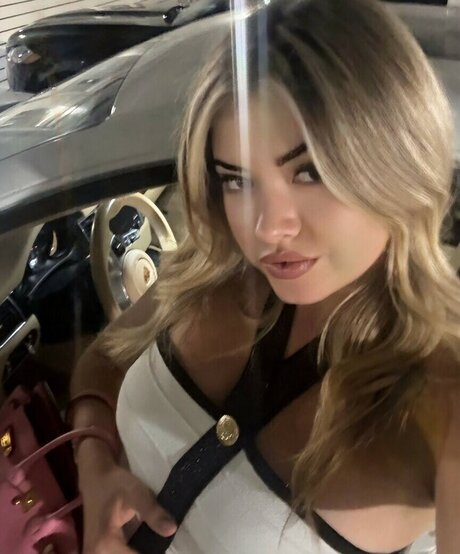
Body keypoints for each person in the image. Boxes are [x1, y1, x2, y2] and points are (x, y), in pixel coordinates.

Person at [69, 0, 460, 552]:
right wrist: (94, 465)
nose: (267, 228)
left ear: (397, 163)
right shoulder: (214, 267)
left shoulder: (442, 394)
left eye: (310, 171)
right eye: (237, 180)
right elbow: (105, 361)